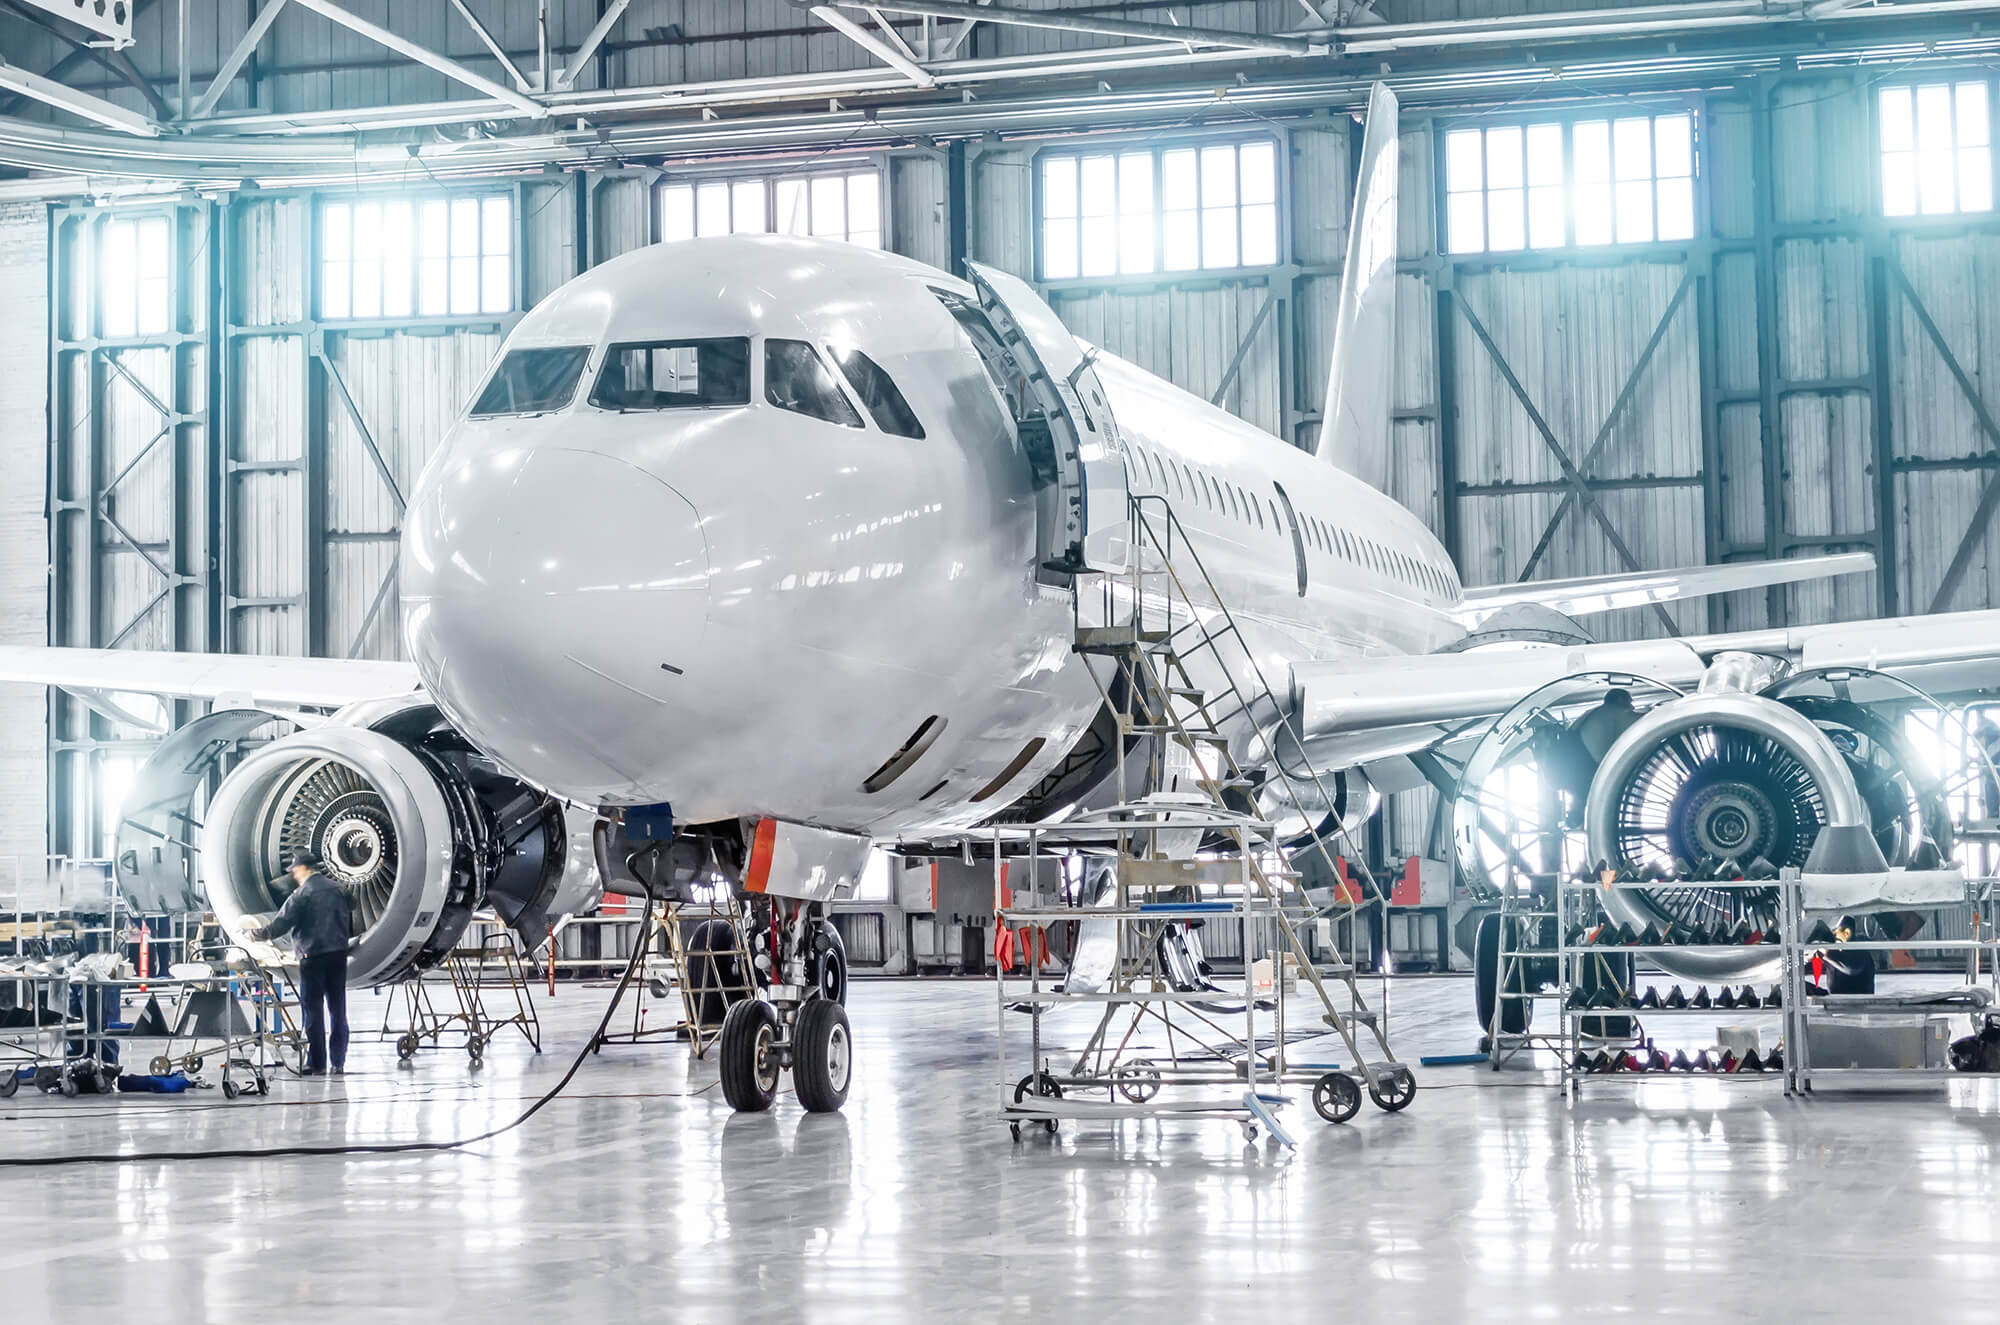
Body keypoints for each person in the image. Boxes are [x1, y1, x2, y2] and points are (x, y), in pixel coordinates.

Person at [247, 851, 354, 1076]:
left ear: (304, 868)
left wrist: (256, 934)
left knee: (313, 1011)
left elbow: (281, 924)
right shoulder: (337, 888)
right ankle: (339, 1062)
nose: (294, 875)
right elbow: (353, 904)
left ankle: (316, 1063)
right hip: (338, 955)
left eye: (295, 870)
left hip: (312, 957)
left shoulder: (302, 893)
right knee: (338, 1009)